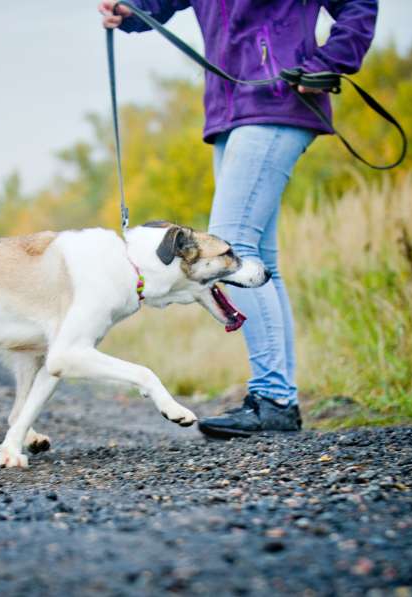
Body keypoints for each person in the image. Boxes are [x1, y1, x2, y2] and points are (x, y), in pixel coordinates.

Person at [99, 0, 378, 438]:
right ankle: (278, 399)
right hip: (230, 110)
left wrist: (332, 60)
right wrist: (131, 10)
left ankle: (273, 400)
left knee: (231, 250)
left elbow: (359, 5)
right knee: (259, 261)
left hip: (282, 97)